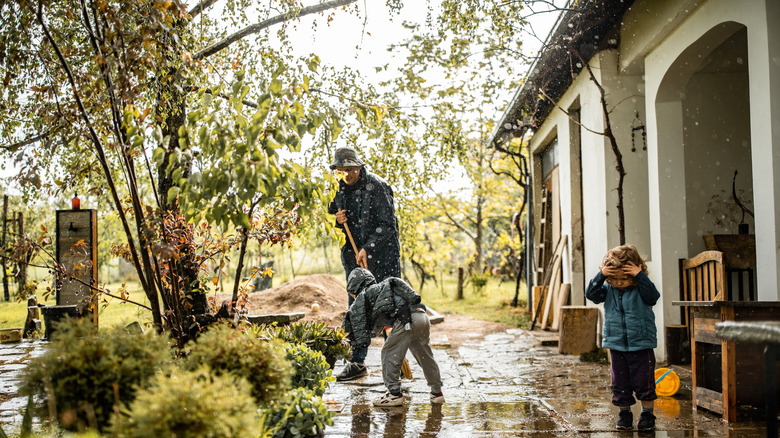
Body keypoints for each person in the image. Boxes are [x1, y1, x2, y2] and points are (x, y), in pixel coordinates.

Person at [327, 146, 402, 381]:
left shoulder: (378, 187)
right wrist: (339, 219)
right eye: (342, 170)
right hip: (354, 259)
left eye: (350, 169)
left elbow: (387, 226)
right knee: (357, 308)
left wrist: (367, 248)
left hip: (382, 258)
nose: (346, 174)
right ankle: (357, 363)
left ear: (359, 167)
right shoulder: (339, 188)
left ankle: (396, 360)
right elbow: (333, 210)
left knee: (387, 306)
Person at [341, 268, 444, 407]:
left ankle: (394, 394)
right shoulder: (383, 289)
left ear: (355, 287)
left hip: (406, 321)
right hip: (422, 316)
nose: (353, 297)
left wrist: (350, 338)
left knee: (388, 353)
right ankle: (437, 392)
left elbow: (355, 318)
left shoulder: (363, 295)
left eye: (352, 293)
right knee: (425, 356)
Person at [585, 244, 660, 431]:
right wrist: (601, 275)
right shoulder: (608, 290)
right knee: (620, 383)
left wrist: (640, 275)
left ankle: (647, 414)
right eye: (614, 279)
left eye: (624, 279)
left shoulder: (642, 288)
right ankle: (624, 413)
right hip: (616, 344)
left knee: (645, 382)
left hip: (641, 344)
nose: (619, 283)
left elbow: (653, 297)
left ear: (635, 273)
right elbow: (591, 295)